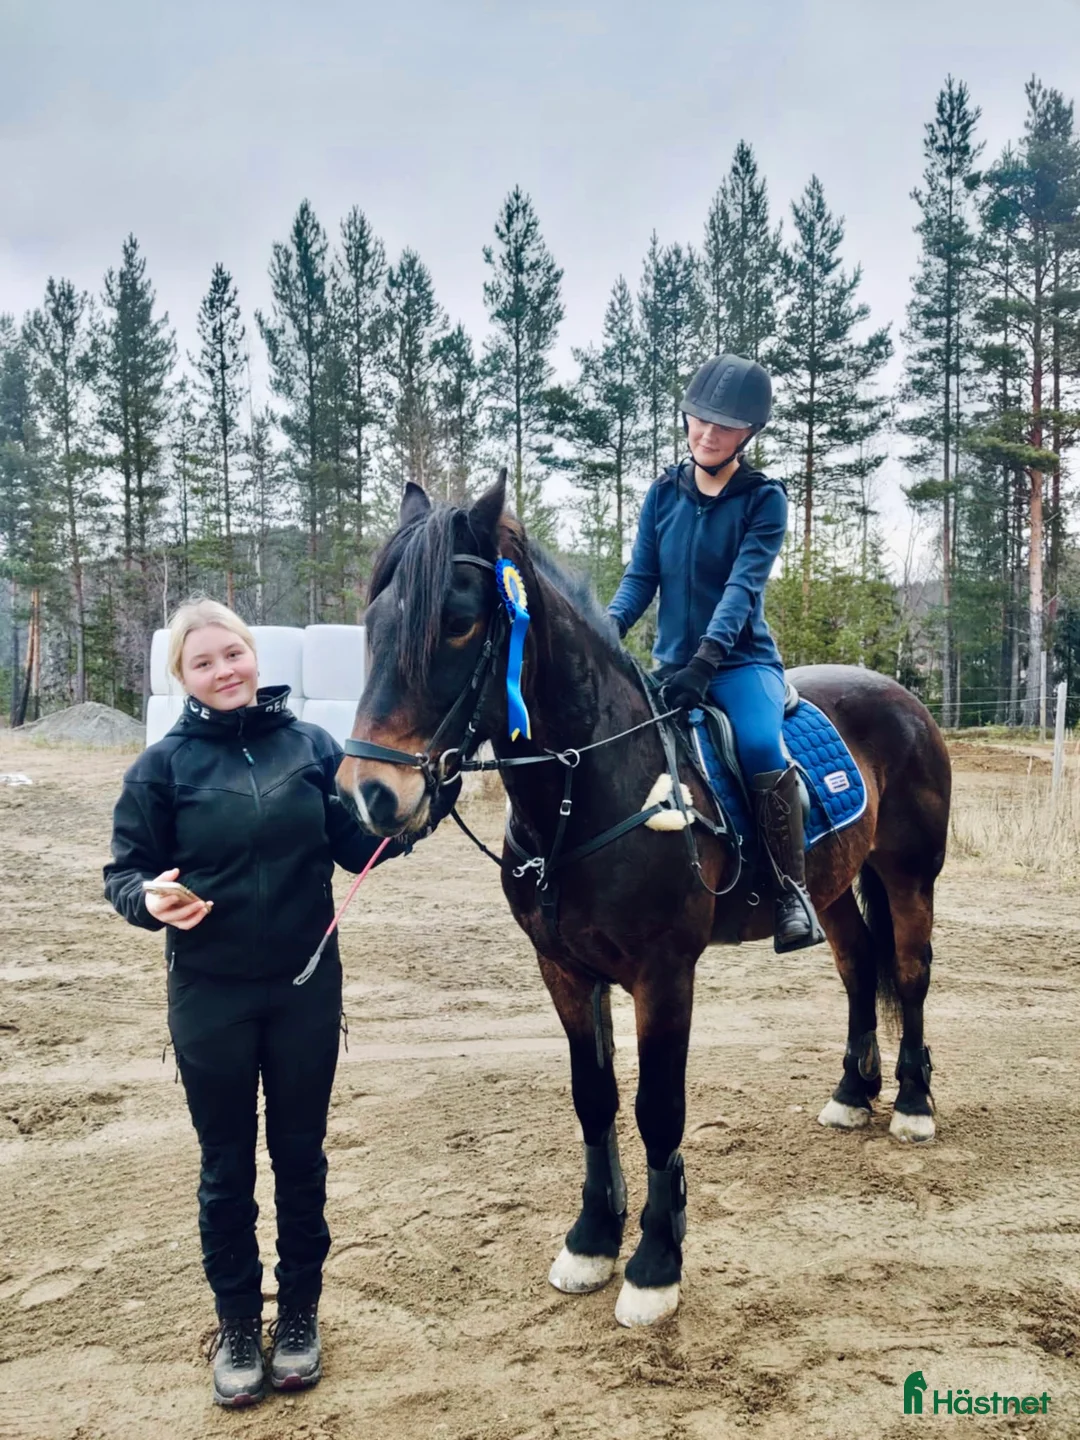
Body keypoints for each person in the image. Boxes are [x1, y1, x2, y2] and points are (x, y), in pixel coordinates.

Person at [104, 597, 457, 1408]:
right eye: (204, 662)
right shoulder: (161, 767)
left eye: (234, 654)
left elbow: (353, 843)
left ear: (253, 657)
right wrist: (146, 897)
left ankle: (298, 1315)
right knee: (225, 1169)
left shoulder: (310, 746)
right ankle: (236, 1323)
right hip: (209, 995)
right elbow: (123, 872)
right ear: (183, 676)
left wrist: (417, 812)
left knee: (301, 1161)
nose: (225, 670)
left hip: (304, 990)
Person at [607, 354, 824, 953]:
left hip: (738, 664)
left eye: (723, 427)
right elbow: (639, 579)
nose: (706, 434)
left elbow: (741, 589)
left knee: (757, 745)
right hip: (672, 665)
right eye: (699, 420)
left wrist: (705, 662)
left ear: (748, 434)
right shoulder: (662, 494)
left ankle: (791, 892)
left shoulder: (763, 500)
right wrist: (604, 632)